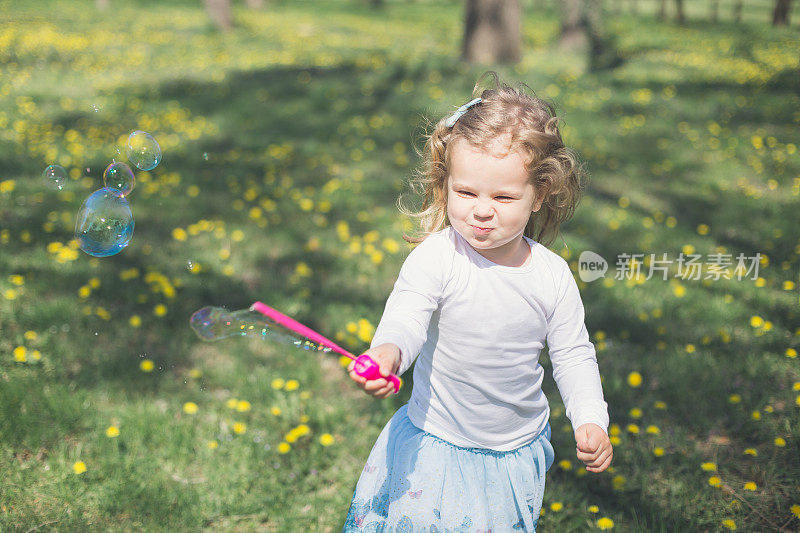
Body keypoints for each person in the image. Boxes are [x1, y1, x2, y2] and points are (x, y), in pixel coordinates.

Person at [342, 72, 612, 532]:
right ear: (446, 184)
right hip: (434, 442)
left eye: (504, 196)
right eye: (466, 192)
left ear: (538, 195)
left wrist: (590, 417)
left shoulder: (550, 276)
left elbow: (572, 353)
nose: (481, 210)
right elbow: (406, 317)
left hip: (513, 452)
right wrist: (387, 354)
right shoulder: (437, 258)